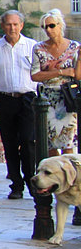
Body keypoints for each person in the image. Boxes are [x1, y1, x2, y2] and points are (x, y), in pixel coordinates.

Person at [0, 10, 39, 199]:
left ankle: (31, 178)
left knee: (28, 140)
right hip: (5, 98)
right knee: (10, 142)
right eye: (8, 24)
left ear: (21, 25)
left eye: (15, 24)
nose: (12, 28)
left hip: (27, 98)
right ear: (3, 26)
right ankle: (16, 183)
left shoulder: (32, 46)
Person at [30, 9, 79, 156]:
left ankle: (68, 176)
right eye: (45, 27)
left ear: (60, 25)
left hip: (67, 97)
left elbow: (77, 75)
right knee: (49, 143)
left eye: (51, 25)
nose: (48, 30)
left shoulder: (74, 47)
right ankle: (56, 173)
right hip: (47, 98)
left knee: (68, 141)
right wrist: (60, 72)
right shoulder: (39, 48)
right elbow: (35, 75)